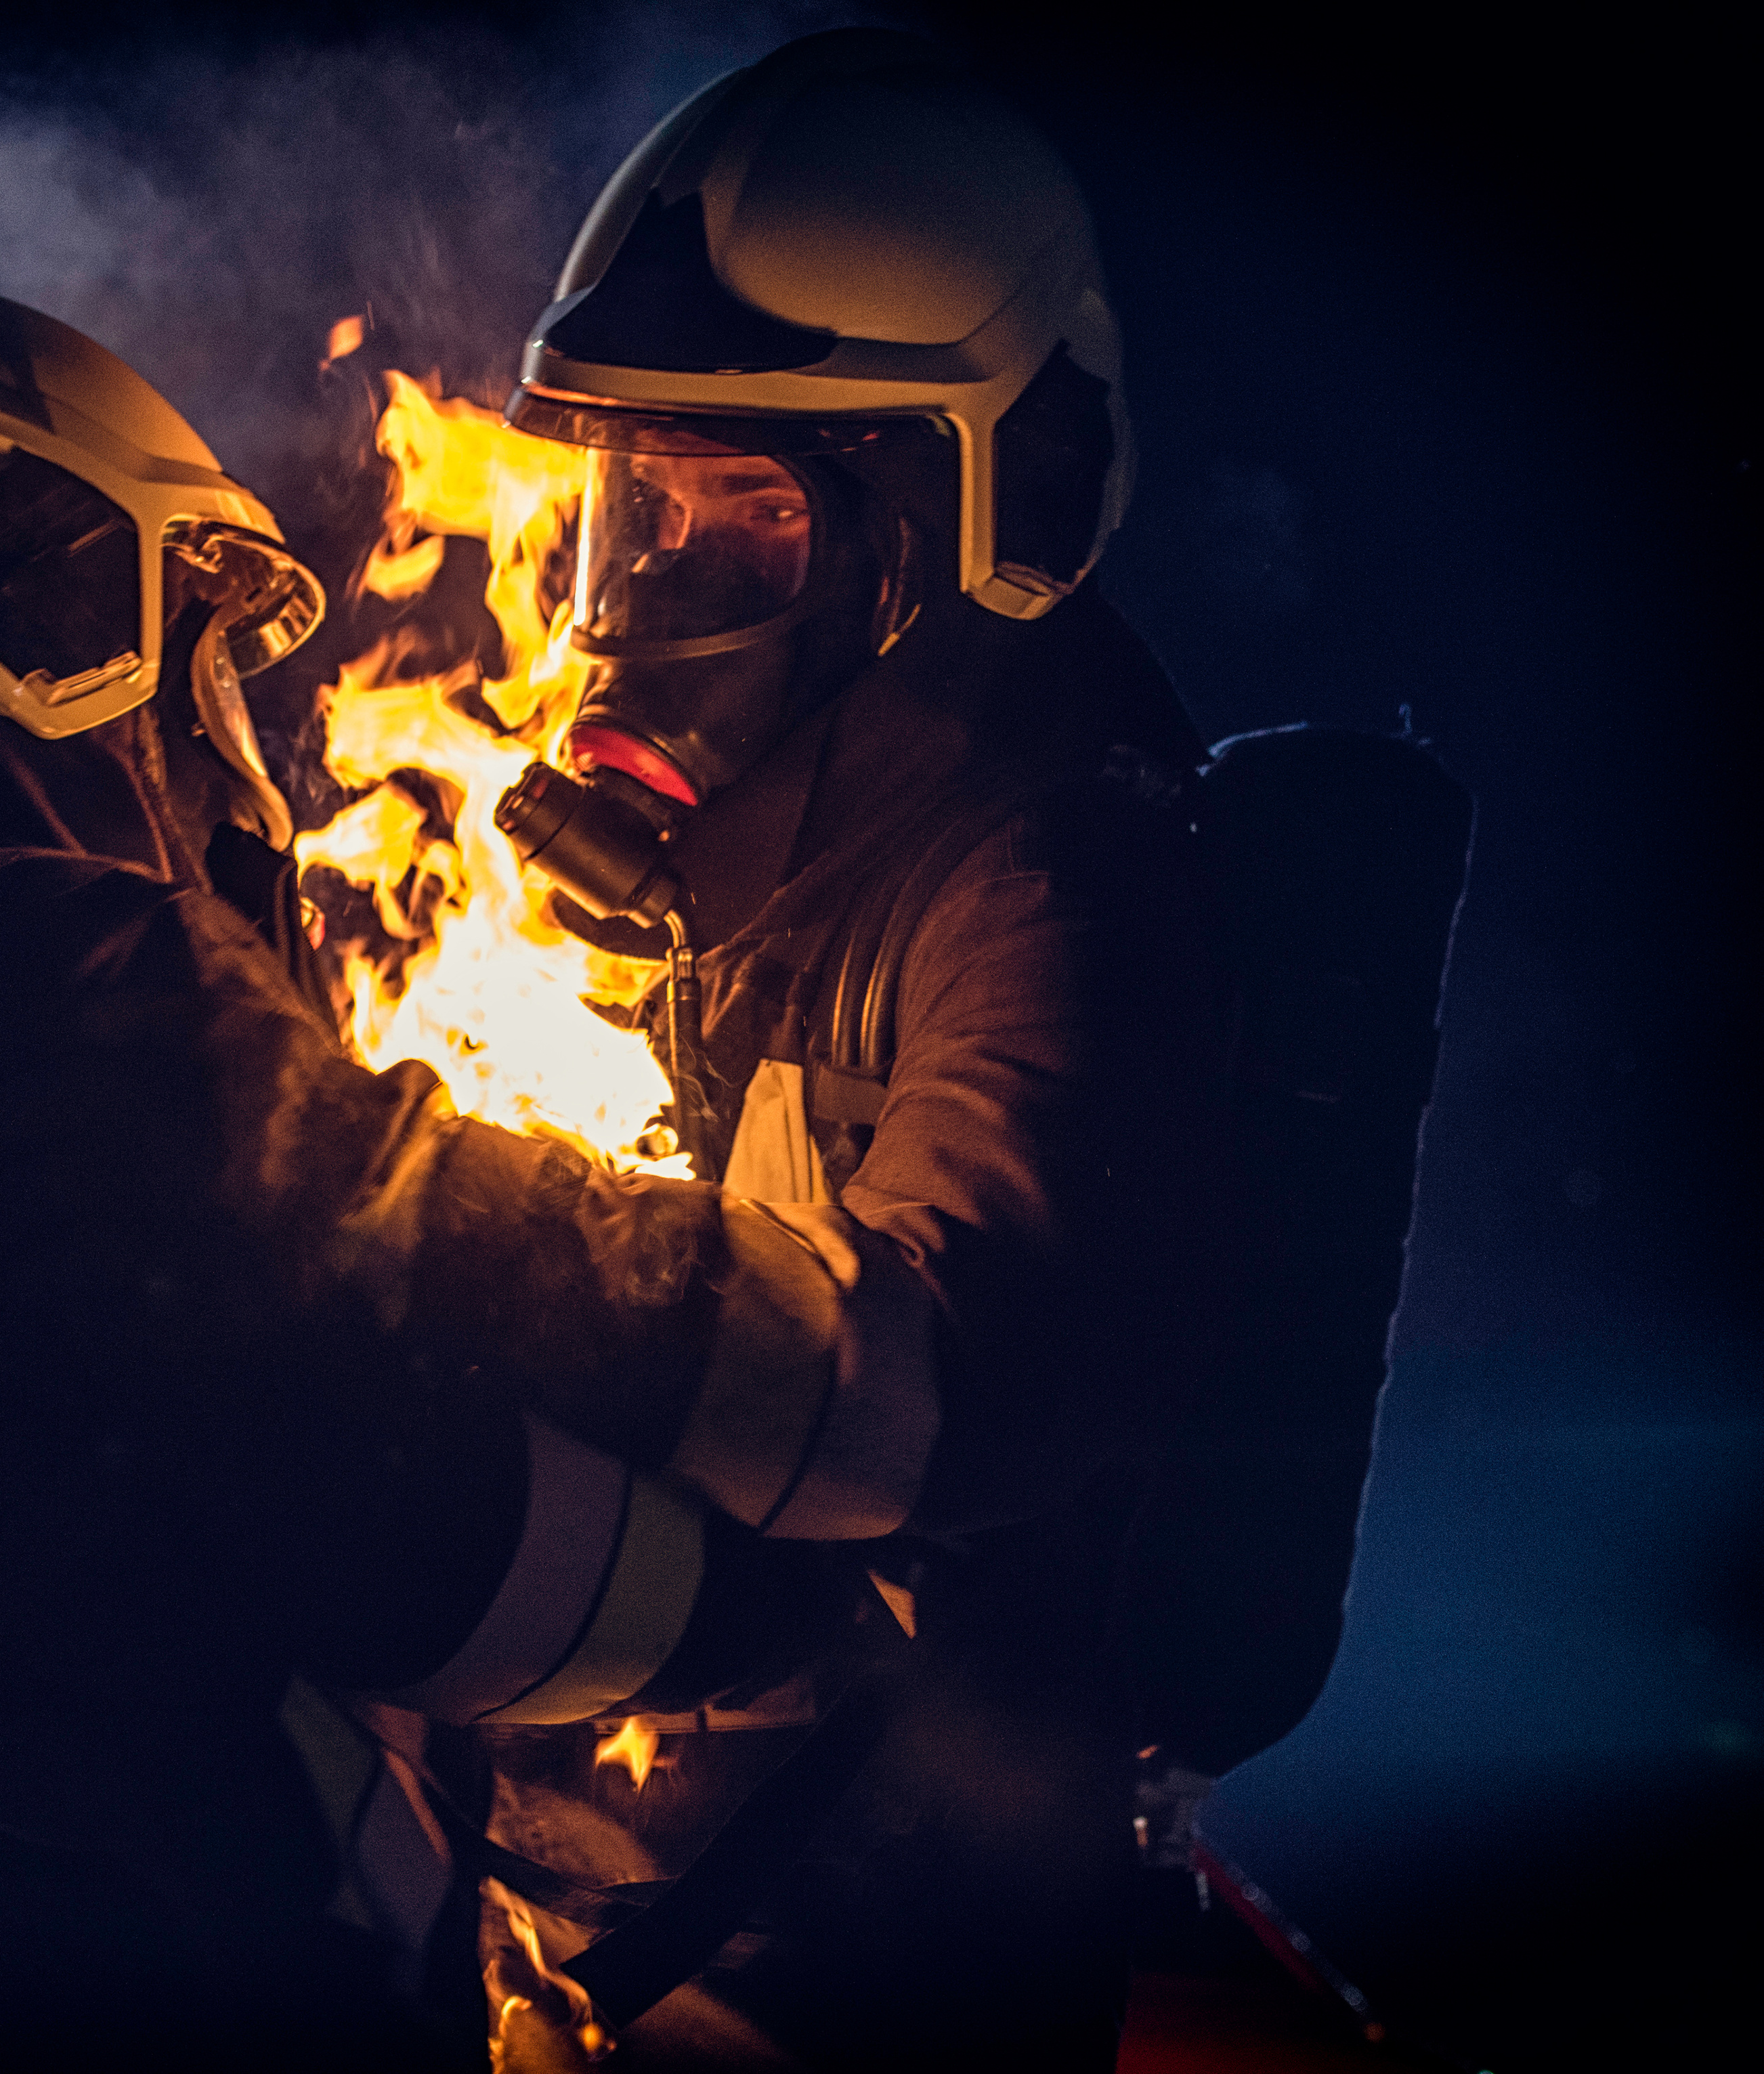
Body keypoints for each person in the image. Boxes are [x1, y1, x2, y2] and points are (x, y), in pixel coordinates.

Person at [0, 288, 945, 2073]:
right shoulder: (63, 956)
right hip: (122, 1935)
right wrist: (810, 1522)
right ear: (34, 578)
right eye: (188, 633)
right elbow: (370, 1454)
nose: (199, 714)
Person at [459, 28, 1241, 2071]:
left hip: (860, 1963)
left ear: (960, 517)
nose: (640, 602)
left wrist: (460, 1235)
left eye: (739, 522)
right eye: (630, 515)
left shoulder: (1052, 874)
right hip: (597, 1901)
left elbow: (963, 1382)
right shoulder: (768, 860)